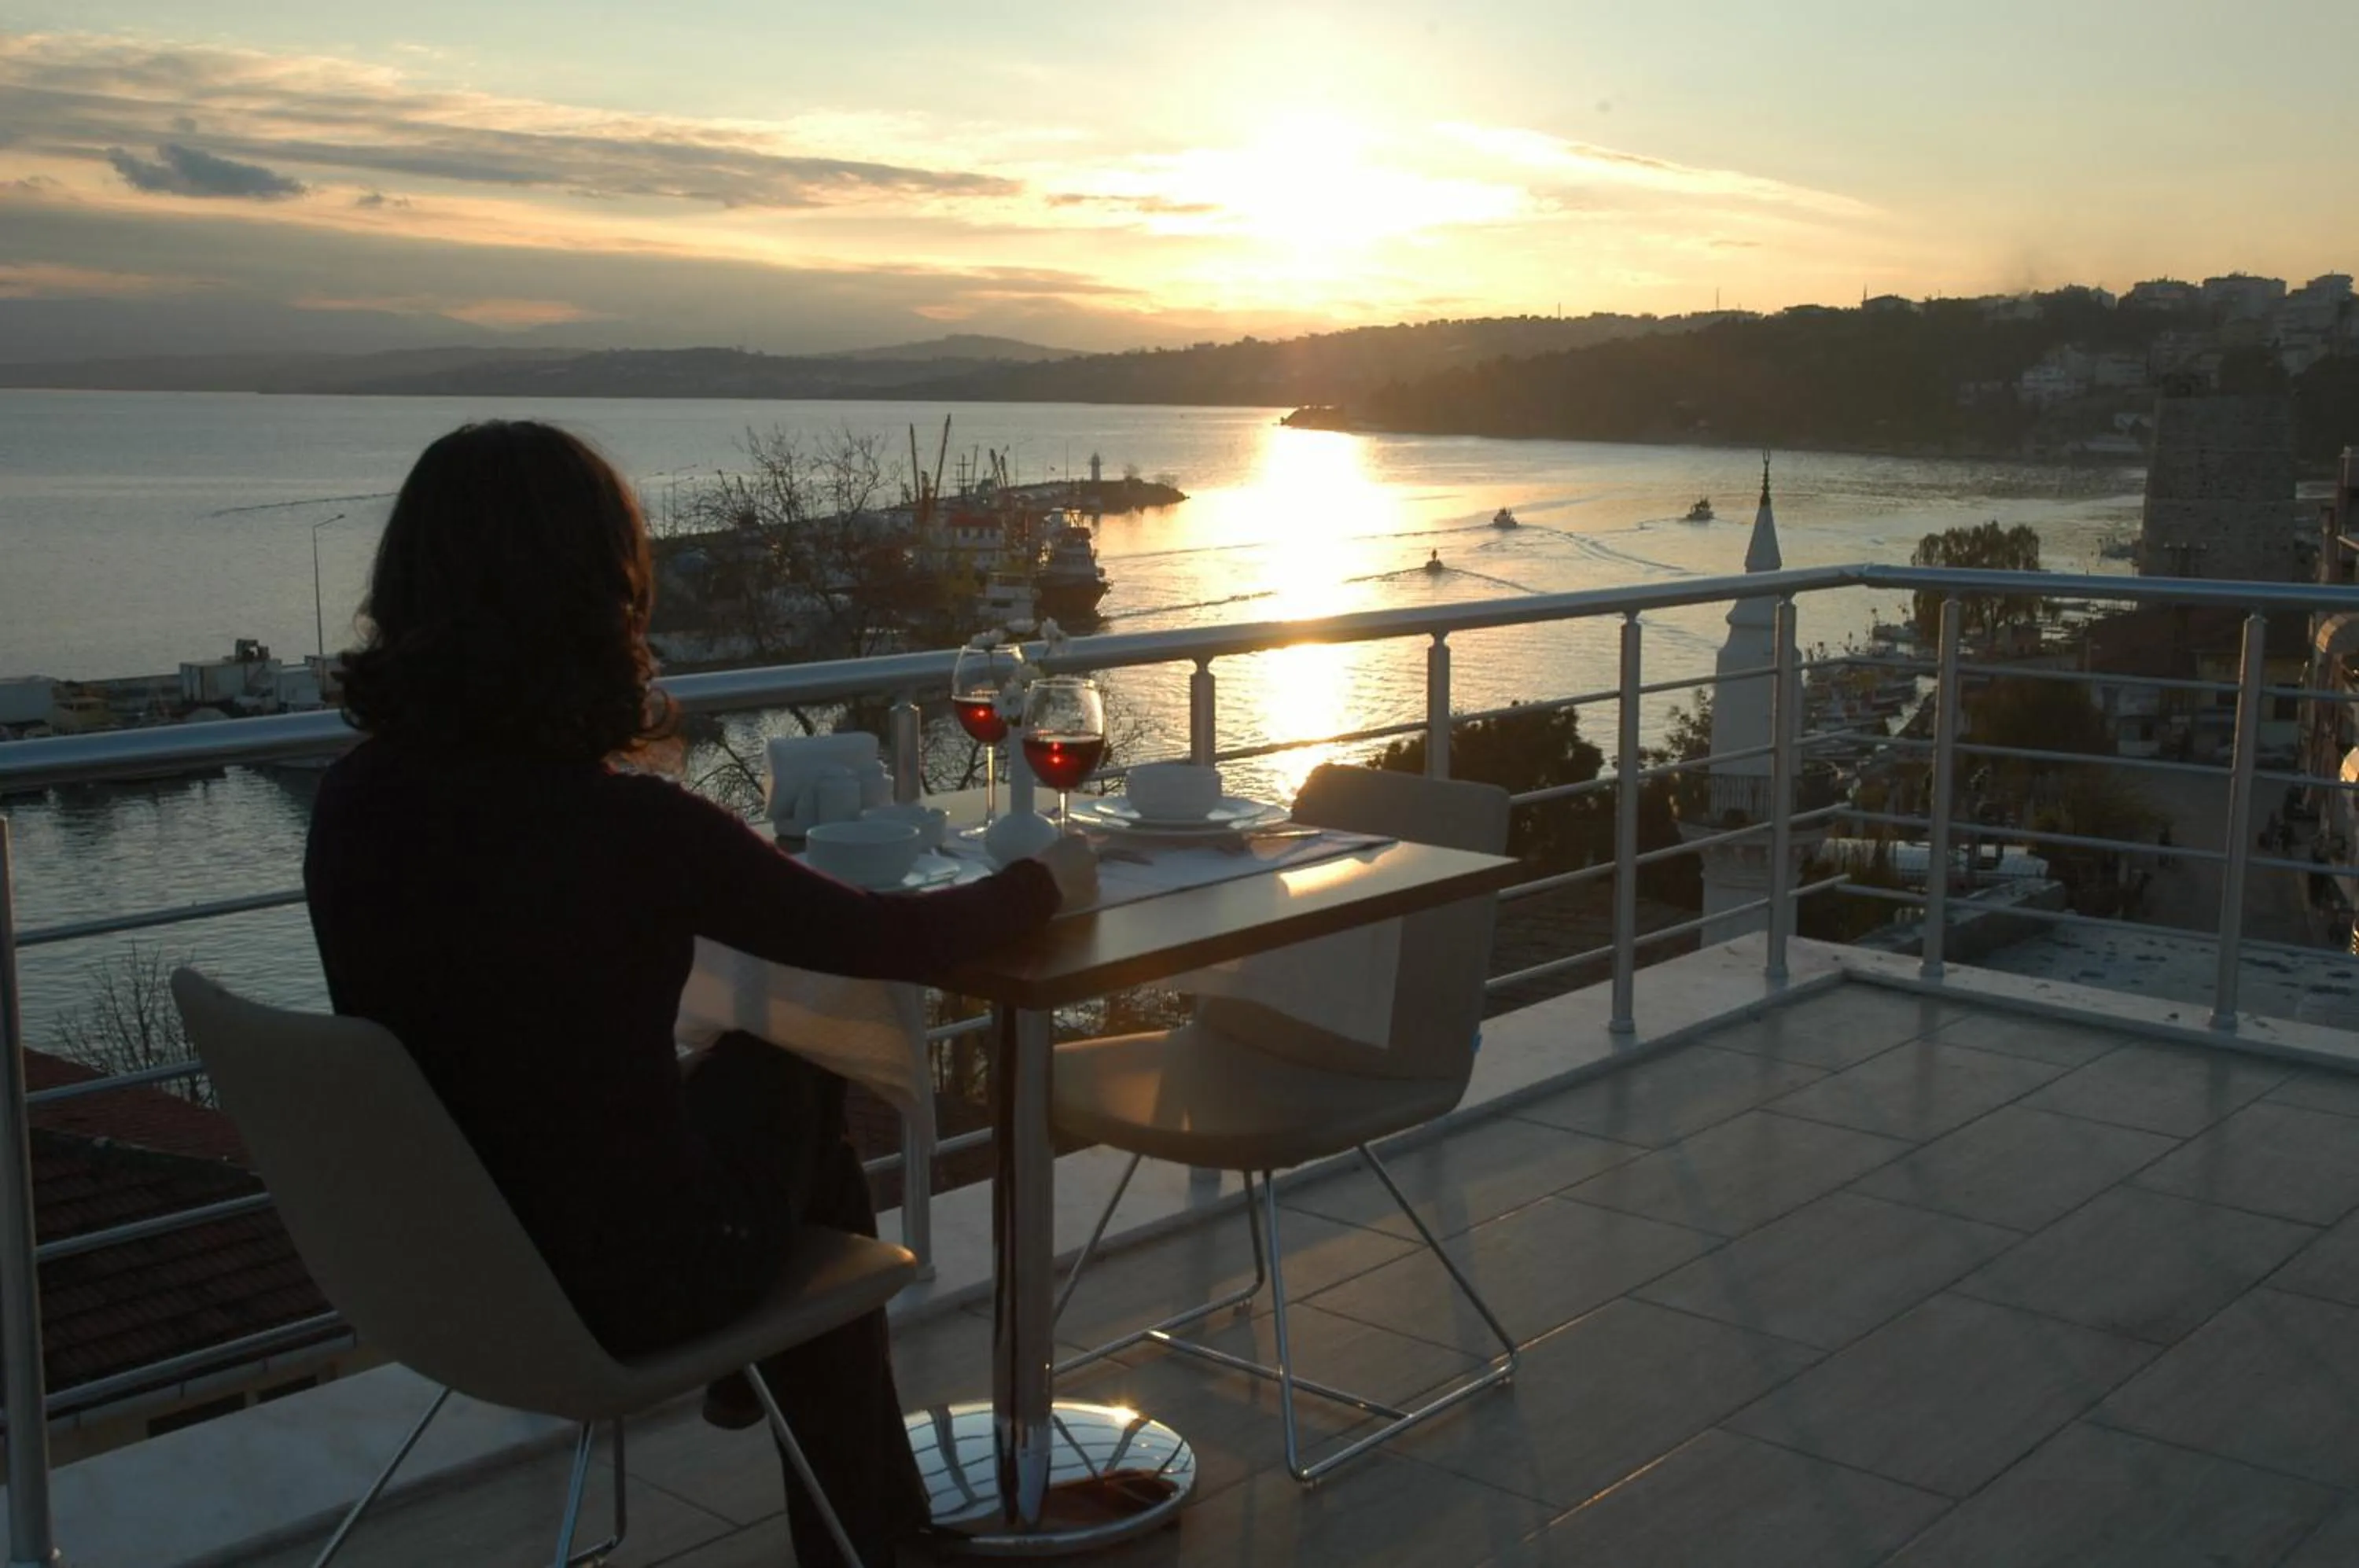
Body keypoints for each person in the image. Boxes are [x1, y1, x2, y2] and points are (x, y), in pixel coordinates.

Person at [303, 421, 1096, 1567]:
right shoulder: (624, 828)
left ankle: (853, 1502)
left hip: (446, 1266)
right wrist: (1041, 880)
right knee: (796, 1079)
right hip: (625, 1288)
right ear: (598, 597)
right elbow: (882, 937)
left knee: (772, 1084)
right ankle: (865, 1528)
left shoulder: (354, 803)